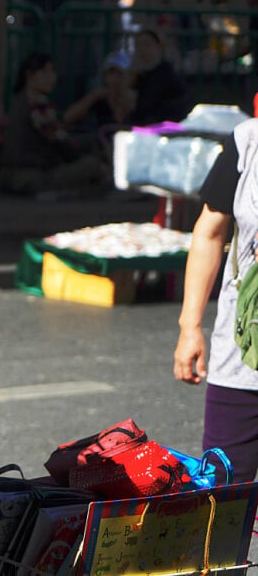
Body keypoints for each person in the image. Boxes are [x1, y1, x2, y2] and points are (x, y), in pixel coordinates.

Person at [174, 117, 258, 482]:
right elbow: (209, 232)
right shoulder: (247, 140)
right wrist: (190, 326)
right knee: (220, 499)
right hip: (240, 360)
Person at [0, 52, 108, 195]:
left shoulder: (18, 100)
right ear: (29, 75)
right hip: (32, 177)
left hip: (10, 176)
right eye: (45, 72)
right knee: (92, 165)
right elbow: (62, 144)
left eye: (53, 72)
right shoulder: (37, 103)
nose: (51, 77)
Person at [127, 29, 193, 126]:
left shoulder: (165, 74)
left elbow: (148, 105)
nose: (143, 50)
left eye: (147, 44)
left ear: (159, 47)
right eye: (139, 45)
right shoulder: (142, 73)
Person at [62, 50, 135, 129]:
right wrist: (93, 97)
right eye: (111, 73)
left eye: (120, 73)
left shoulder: (137, 99)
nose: (115, 79)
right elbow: (68, 117)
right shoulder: (100, 99)